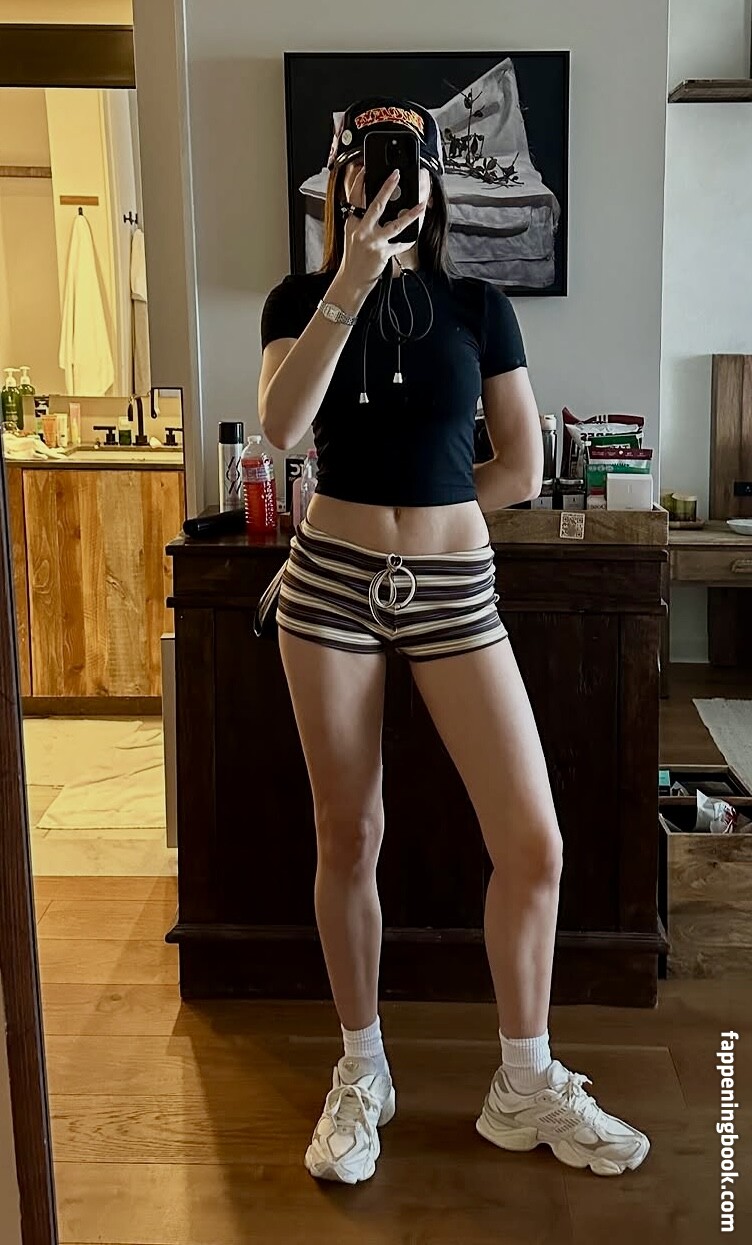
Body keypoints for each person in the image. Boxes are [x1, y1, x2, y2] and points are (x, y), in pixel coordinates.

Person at [258, 96, 650, 1185]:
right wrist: (348, 282)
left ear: (436, 183)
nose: (390, 179)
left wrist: (433, 507)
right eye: (369, 161)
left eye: (410, 162)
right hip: (329, 584)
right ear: (341, 178)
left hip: (453, 585)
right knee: (349, 832)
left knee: (533, 841)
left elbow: (520, 467)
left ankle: (524, 1083)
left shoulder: (481, 305)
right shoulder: (297, 298)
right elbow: (284, 429)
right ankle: (362, 1070)